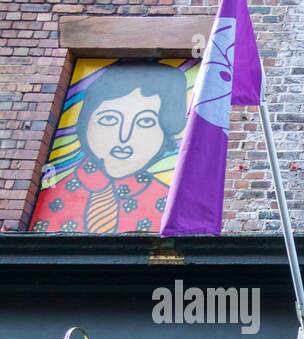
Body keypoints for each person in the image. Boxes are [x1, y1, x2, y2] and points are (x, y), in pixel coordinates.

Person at [31, 62, 188, 234]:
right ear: (86, 120)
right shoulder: (53, 195)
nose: (124, 137)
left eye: (145, 122)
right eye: (109, 119)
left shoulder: (170, 205)